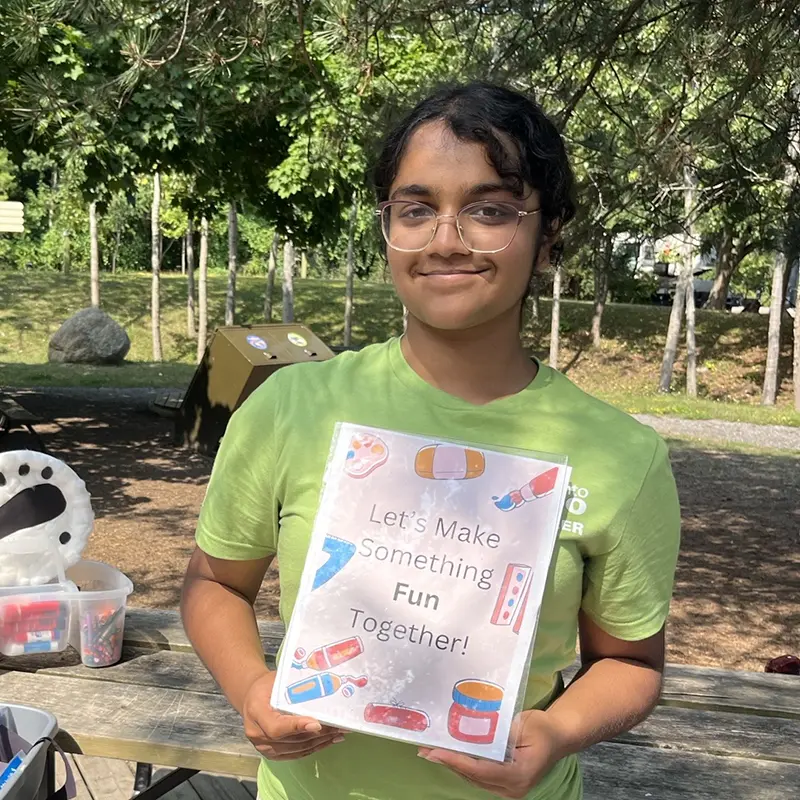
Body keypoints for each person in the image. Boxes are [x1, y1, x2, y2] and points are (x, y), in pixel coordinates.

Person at [181, 82, 681, 800]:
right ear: (388, 226)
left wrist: (558, 731)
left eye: (489, 209)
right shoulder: (291, 407)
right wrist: (251, 688)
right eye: (416, 209)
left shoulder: (621, 457)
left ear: (547, 239)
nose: (446, 240)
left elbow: (631, 663)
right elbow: (215, 583)